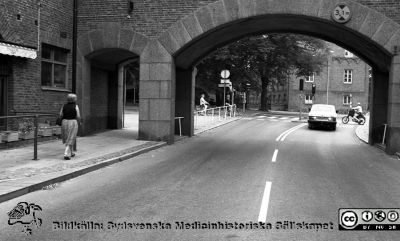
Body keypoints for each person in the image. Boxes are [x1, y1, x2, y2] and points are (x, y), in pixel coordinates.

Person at [59, 93, 81, 160]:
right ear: (74, 99)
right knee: (71, 137)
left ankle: (71, 153)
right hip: (72, 122)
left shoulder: (64, 106)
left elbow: (60, 115)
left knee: (67, 137)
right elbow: (78, 116)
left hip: (64, 122)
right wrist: (79, 122)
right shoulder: (76, 106)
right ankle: (66, 153)